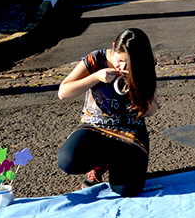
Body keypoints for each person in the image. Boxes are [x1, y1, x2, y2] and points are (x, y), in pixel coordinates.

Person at [57, 28, 158, 197]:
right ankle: (101, 162)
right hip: (95, 127)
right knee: (68, 161)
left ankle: (115, 161)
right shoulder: (96, 59)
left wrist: (136, 87)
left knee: (127, 190)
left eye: (129, 63)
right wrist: (95, 77)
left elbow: (151, 111)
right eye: (120, 60)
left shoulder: (144, 64)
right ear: (113, 48)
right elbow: (63, 93)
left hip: (130, 133)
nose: (123, 67)